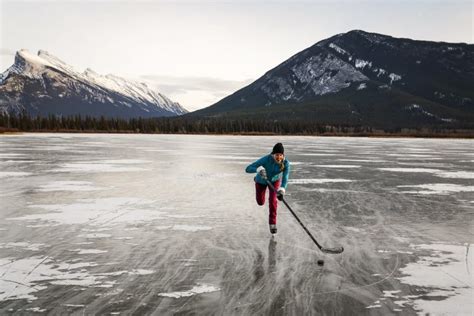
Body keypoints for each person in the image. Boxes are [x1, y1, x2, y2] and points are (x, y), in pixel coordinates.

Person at [245, 143, 291, 234]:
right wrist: (257, 169)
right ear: (273, 154)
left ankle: (272, 224)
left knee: (273, 201)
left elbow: (285, 178)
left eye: (280, 155)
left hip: (275, 181)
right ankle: (256, 178)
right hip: (261, 181)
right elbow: (248, 168)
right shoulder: (266, 159)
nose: (278, 157)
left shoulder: (286, 163)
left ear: (283, 155)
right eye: (276, 155)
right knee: (260, 202)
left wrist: (282, 189)